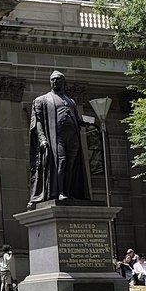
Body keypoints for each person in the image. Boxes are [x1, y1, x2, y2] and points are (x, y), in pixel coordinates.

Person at [27, 70, 93, 205]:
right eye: (52, 79)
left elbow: (76, 119)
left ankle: (68, 191)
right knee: (61, 162)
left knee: (71, 165)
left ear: (64, 82)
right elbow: (38, 122)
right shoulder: (42, 100)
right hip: (56, 138)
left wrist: (85, 123)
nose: (55, 81)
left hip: (72, 138)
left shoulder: (71, 101)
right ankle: (60, 191)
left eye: (58, 79)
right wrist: (42, 139)